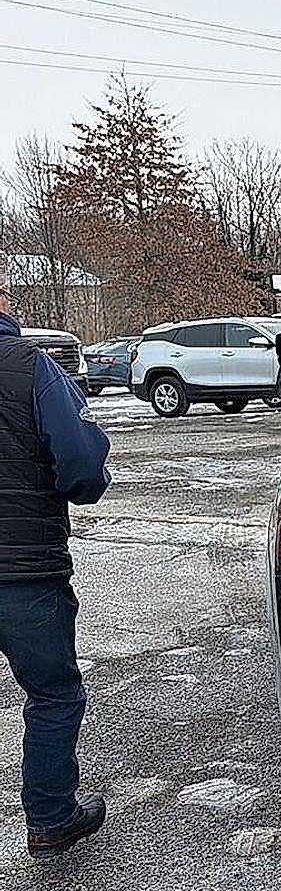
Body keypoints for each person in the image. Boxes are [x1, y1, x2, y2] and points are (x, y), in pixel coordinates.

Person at [0, 281, 111, 856]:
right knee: (52, 693)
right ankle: (49, 816)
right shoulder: (30, 369)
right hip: (25, 574)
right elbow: (82, 469)